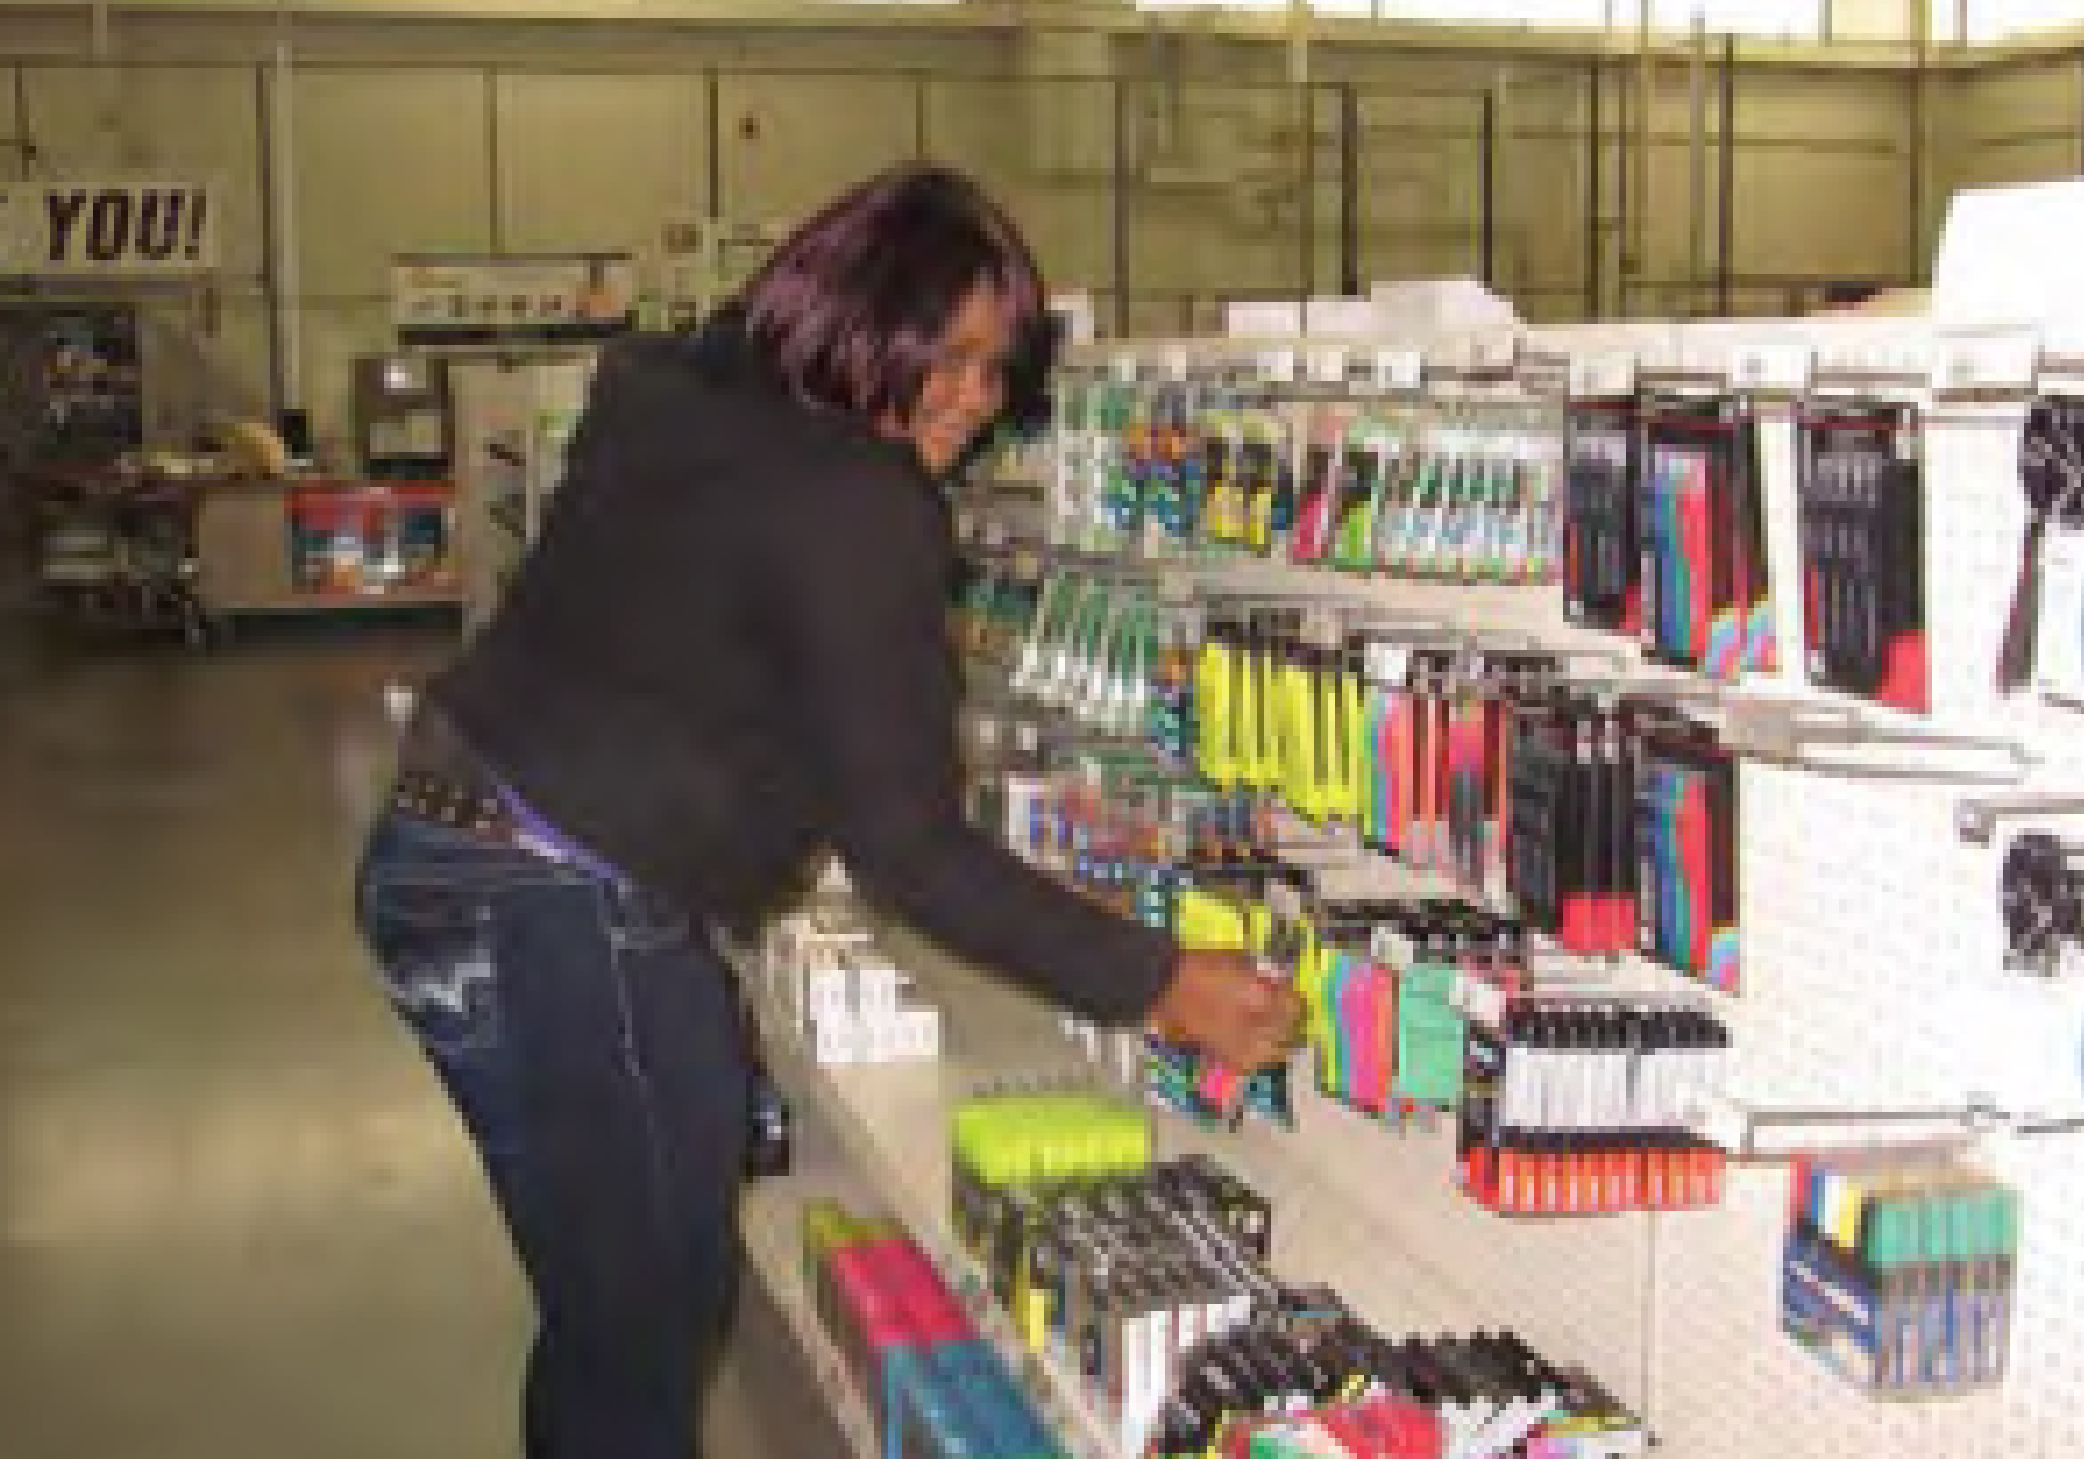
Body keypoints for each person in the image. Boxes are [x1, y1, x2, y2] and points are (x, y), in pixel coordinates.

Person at [353, 162, 1301, 1459]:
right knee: (644, 1330)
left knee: (605, 1314)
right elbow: (909, 848)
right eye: (949, 357)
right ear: (868, 322)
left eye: (998, 367)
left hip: (440, 856)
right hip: (565, 907)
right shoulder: (860, 498)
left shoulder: (672, 392)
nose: (973, 398)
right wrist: (1160, 979)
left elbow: (695, 631)